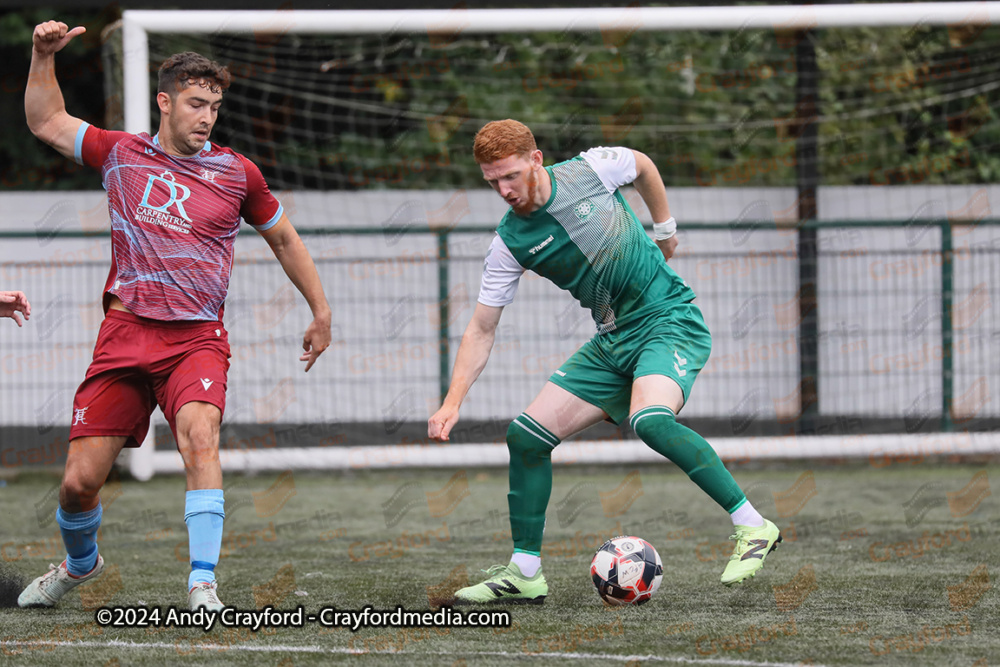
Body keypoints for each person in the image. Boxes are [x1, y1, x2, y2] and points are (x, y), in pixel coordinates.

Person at [19, 21, 332, 611]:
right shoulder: (120, 154)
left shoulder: (238, 173)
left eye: (214, 105)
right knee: (78, 483)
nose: (207, 116)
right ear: (165, 101)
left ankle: (202, 582)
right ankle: (81, 564)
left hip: (196, 341)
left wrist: (321, 310)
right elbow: (46, 122)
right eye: (195, 103)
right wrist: (41, 56)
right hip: (124, 334)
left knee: (199, 439)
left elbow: (286, 240)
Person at [428, 120, 782, 605]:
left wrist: (666, 228)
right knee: (525, 437)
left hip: (667, 319)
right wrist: (452, 402)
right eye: (492, 182)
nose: (503, 190)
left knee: (651, 420)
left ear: (536, 158)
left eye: (510, 175)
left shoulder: (588, 169)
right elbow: (481, 327)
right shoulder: (509, 242)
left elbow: (642, 164)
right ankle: (525, 572)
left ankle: (753, 525)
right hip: (613, 340)